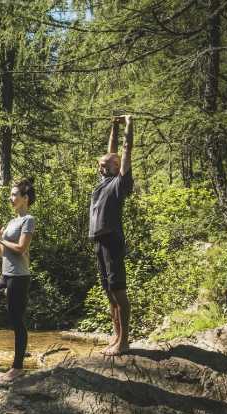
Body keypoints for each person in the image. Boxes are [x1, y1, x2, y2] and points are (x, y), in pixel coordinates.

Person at [90, 115, 135, 356]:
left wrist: (129, 124)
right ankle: (116, 336)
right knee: (108, 291)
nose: (100, 167)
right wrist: (113, 127)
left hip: (112, 240)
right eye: (100, 165)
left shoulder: (120, 182)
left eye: (104, 166)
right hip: (98, 240)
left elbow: (124, 152)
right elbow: (112, 152)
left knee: (118, 290)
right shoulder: (104, 179)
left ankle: (124, 341)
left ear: (117, 168)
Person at [0, 178, 36, 382]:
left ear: (25, 198)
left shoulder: (28, 220)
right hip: (6, 274)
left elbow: (21, 248)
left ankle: (17, 367)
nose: (11, 198)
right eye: (11, 194)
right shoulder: (12, 221)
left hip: (19, 276)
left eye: (15, 194)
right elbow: (2, 253)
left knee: (17, 322)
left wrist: (0, 238)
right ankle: (7, 292)